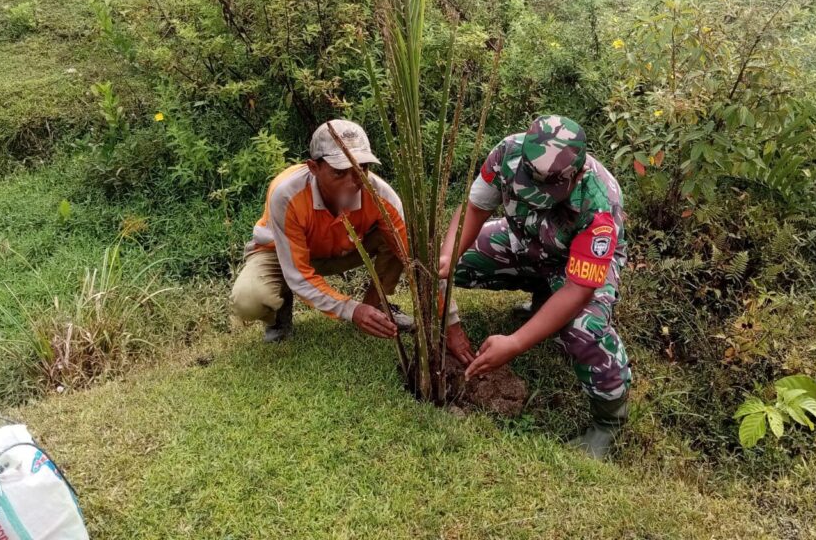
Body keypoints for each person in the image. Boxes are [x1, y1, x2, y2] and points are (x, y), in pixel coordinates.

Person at [439, 115, 631, 458]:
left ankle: (608, 422)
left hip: (574, 267)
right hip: (524, 241)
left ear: (575, 174)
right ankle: (541, 298)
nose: (537, 192)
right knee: (457, 264)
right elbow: (474, 208)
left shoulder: (599, 201)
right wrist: (448, 258)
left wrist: (514, 343)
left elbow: (578, 288)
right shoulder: (506, 155)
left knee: (584, 328)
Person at [231, 119, 474, 364]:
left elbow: (419, 260)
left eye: (362, 168)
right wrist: (351, 309)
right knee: (249, 299)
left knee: (400, 239)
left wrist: (450, 323)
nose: (353, 182)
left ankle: (376, 306)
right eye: (339, 172)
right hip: (281, 252)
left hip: (344, 249)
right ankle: (279, 319)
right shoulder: (286, 194)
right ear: (313, 168)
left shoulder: (381, 196)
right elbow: (298, 273)